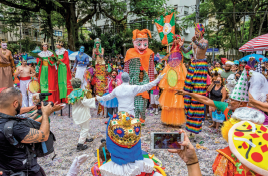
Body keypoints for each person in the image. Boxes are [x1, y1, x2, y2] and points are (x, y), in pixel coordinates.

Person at [0, 87, 63, 176]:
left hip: (6, 169)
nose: (21, 106)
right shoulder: (15, 127)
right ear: (15, 103)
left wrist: (45, 112)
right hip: (26, 171)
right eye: (20, 103)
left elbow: (25, 125)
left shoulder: (7, 121)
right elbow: (43, 135)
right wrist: (45, 114)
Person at [176, 69, 250, 122]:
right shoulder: (226, 106)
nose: (229, 101)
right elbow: (206, 100)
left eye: (233, 100)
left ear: (242, 104)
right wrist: (187, 93)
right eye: (230, 99)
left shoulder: (251, 114)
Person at [96, 72, 165, 117]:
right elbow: (146, 86)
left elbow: (108, 97)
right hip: (130, 113)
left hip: (121, 114)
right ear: (129, 79)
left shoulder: (117, 89)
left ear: (122, 79)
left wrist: (100, 98)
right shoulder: (133, 88)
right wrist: (157, 80)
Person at [181, 23, 208, 135]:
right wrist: (181, 45)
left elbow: (202, 47)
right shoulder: (193, 42)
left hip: (201, 67)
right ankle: (188, 114)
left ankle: (195, 126)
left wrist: (195, 41)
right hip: (193, 66)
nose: (195, 33)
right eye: (195, 31)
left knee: (198, 94)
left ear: (202, 32)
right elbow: (186, 51)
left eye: (197, 31)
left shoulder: (204, 41)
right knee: (187, 91)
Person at [158, 34, 187, 126]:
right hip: (171, 70)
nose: (174, 40)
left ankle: (176, 121)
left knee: (177, 97)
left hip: (178, 71)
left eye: (176, 39)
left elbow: (182, 54)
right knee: (168, 97)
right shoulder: (172, 49)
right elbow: (169, 58)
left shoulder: (180, 49)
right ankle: (168, 120)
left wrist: (181, 45)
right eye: (174, 39)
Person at [67, 78, 96, 151]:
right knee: (85, 128)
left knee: (83, 127)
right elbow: (85, 102)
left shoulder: (72, 93)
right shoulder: (83, 92)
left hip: (75, 113)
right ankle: (80, 144)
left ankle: (87, 137)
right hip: (82, 113)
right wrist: (94, 99)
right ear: (80, 85)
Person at [92, 38, 106, 116]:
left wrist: (98, 50)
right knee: (98, 81)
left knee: (102, 81)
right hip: (97, 64)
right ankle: (98, 103)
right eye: (96, 43)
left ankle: (102, 105)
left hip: (102, 63)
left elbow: (102, 55)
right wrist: (94, 52)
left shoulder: (102, 49)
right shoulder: (93, 49)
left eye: (98, 43)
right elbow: (93, 58)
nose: (97, 44)